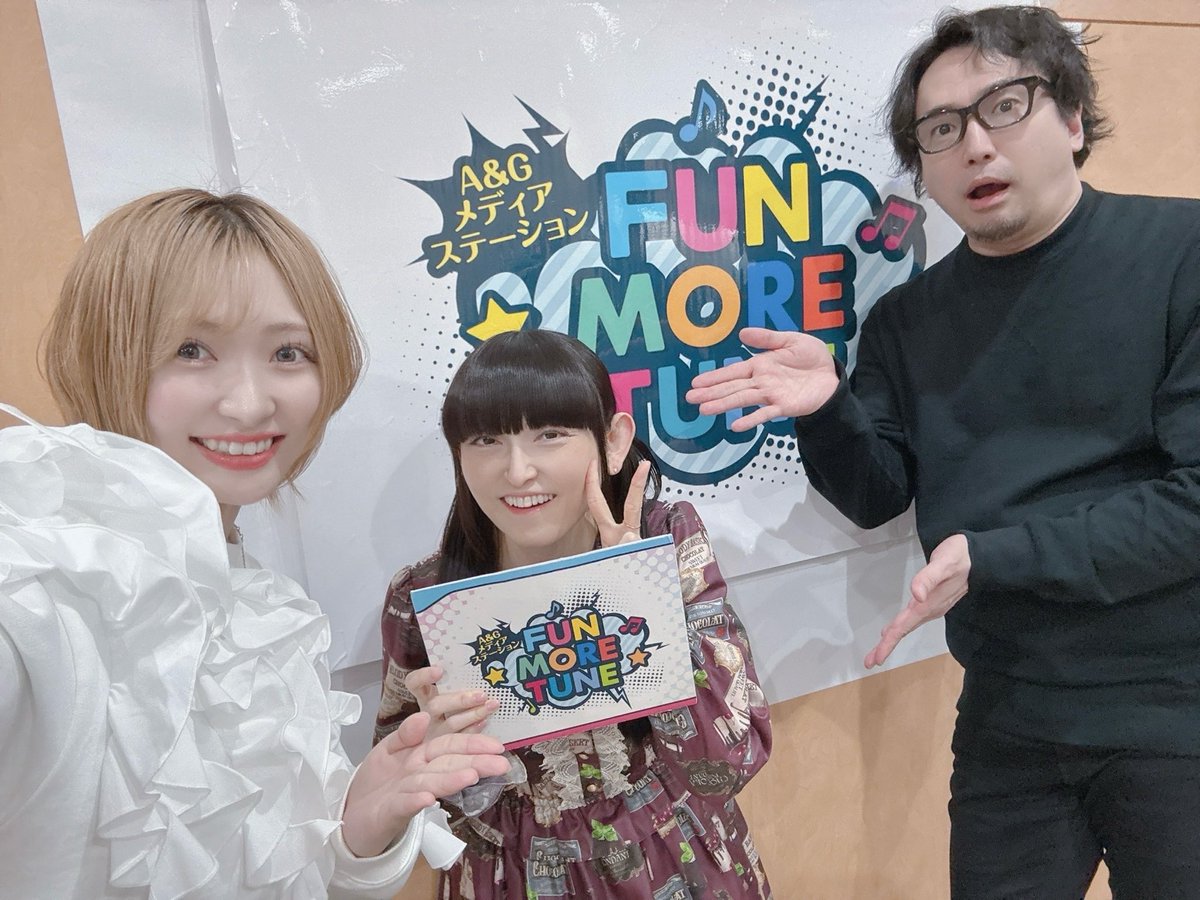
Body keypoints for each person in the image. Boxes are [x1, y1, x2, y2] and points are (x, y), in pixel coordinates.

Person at [688, 6, 1200, 898]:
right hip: (1008, 718)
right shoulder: (906, 319)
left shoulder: (1182, 253)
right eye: (941, 129)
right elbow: (877, 493)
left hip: (1175, 710)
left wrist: (994, 555)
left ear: (1073, 120)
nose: (975, 146)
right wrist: (826, 408)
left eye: (1005, 107)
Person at [0, 188, 509, 899]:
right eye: (191, 350)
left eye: (287, 352)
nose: (249, 403)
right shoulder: (36, 583)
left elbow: (291, 873)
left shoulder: (265, 604)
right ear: (107, 352)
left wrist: (359, 829)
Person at [374, 329, 772, 899]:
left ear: (613, 441)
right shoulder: (427, 597)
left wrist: (636, 592)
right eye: (486, 440)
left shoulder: (664, 541)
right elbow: (399, 812)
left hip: (672, 858)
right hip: (508, 876)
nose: (518, 471)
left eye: (550, 435)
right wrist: (442, 761)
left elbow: (728, 764)